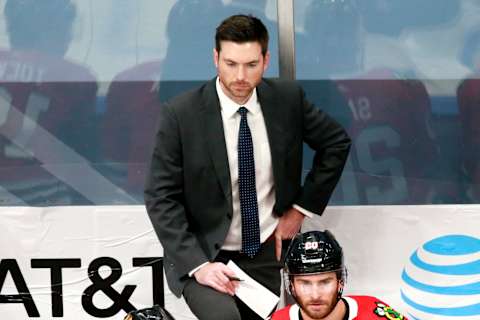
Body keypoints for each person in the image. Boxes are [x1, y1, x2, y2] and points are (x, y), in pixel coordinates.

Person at [144, 14, 351, 320]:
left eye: (251, 64)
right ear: (216, 58)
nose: (240, 76)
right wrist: (198, 266)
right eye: (231, 63)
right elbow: (161, 196)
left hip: (265, 252)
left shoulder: (287, 99)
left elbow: (336, 143)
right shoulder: (181, 114)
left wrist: (300, 210)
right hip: (205, 254)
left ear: (266, 60)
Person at [271, 230, 407, 320]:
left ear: (340, 281)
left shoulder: (375, 313)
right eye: (305, 283)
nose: (315, 295)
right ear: (292, 285)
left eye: (324, 282)